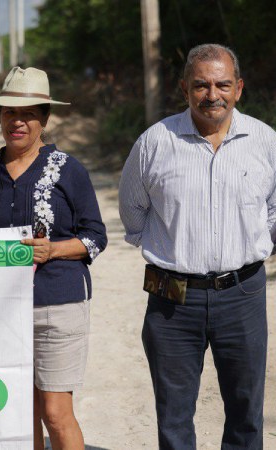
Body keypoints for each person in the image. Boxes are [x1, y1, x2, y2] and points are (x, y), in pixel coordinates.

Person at [119, 43, 275, 450]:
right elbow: (132, 212)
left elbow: (275, 210)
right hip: (172, 298)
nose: (212, 95)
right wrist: (173, 250)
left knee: (246, 413)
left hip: (243, 294)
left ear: (238, 88)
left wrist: (253, 244)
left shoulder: (265, 141)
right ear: (184, 87)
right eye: (202, 85)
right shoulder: (155, 142)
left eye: (222, 84)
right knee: (174, 417)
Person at [0, 67, 107, 450]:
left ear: (44, 118)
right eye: (10, 112)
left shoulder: (68, 169)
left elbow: (96, 237)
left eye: (28, 113)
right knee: (18, 412)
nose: (18, 121)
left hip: (57, 305)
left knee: (56, 413)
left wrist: (54, 249)